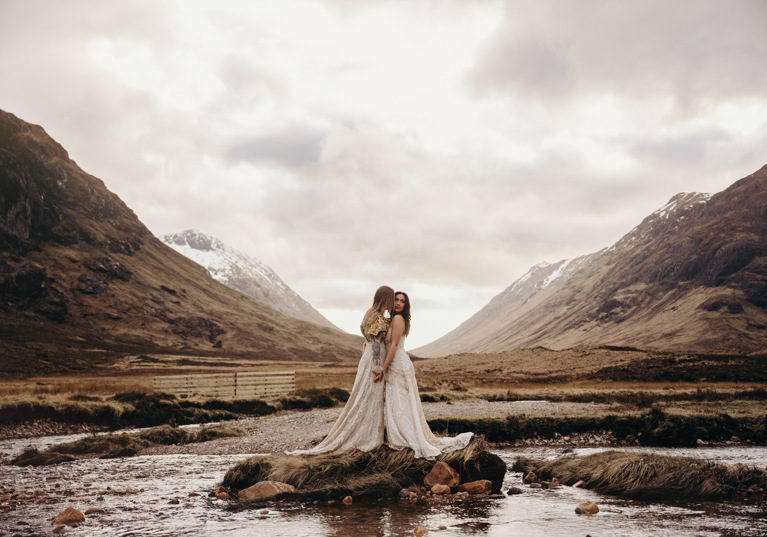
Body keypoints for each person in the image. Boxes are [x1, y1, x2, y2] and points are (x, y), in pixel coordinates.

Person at [287, 286, 394, 455]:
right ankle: (369, 437)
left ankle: (367, 433)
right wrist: (377, 363)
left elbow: (366, 339)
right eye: (391, 299)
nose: (393, 303)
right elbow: (375, 341)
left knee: (364, 393)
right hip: (375, 357)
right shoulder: (379, 318)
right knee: (371, 395)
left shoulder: (369, 313)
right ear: (385, 299)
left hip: (366, 357)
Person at [379, 291, 473, 459]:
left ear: (405, 306)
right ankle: (402, 436)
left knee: (400, 402)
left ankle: (405, 438)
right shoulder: (391, 320)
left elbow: (393, 345)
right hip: (396, 363)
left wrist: (383, 367)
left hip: (397, 363)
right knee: (399, 402)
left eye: (402, 301)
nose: (399, 303)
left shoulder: (398, 319)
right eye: (396, 300)